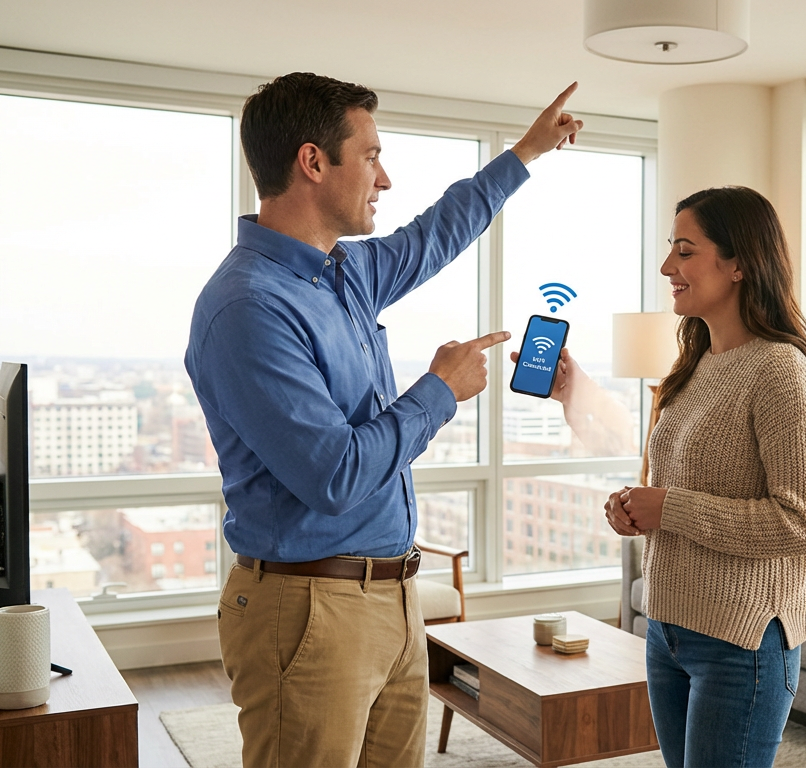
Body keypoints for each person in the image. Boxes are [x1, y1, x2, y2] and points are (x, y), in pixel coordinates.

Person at [184, 72, 580, 768]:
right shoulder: (248, 306)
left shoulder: (345, 273)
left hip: (391, 600)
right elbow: (333, 476)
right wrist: (438, 390)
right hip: (308, 611)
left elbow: (438, 231)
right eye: (370, 155)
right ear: (313, 162)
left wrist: (528, 151)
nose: (385, 178)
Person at [605, 187, 806, 767]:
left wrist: (670, 509)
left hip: (743, 642)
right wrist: (635, 509)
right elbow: (679, 480)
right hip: (669, 629)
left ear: (737, 264)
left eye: (685, 250)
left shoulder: (779, 370)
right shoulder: (696, 362)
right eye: (670, 250)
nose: (667, 267)